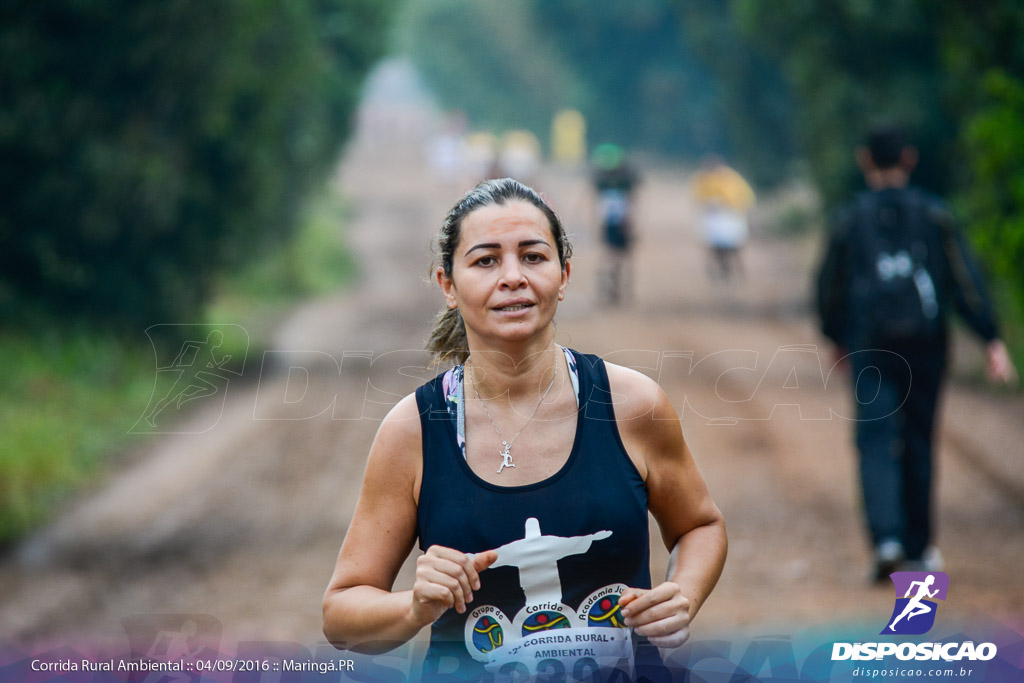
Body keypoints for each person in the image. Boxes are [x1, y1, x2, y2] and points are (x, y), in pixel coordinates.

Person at [323, 178, 727, 680]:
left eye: (533, 257)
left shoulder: (631, 405)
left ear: (564, 274)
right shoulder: (415, 430)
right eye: (486, 260)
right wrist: (414, 608)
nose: (512, 277)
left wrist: (681, 597)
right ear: (448, 284)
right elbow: (341, 615)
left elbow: (700, 526)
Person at [815, 125, 1017, 583]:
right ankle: (920, 547)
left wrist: (834, 336)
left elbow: (830, 285)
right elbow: (964, 279)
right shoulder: (934, 215)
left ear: (864, 160)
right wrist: (990, 337)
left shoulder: (850, 219)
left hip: (871, 345)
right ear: (909, 158)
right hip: (927, 346)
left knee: (874, 441)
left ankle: (885, 540)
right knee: (920, 440)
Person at [692, 156, 755, 281]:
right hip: (714, 218)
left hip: (731, 215)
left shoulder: (731, 178)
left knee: (735, 246)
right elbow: (698, 196)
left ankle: (739, 271)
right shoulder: (702, 179)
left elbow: (744, 195)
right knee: (716, 247)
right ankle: (724, 271)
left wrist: (734, 205)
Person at [591, 143, 640, 304]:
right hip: (612, 222)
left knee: (618, 258)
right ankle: (614, 288)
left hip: (619, 222)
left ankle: (617, 288)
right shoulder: (614, 181)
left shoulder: (616, 181)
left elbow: (632, 203)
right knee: (614, 257)